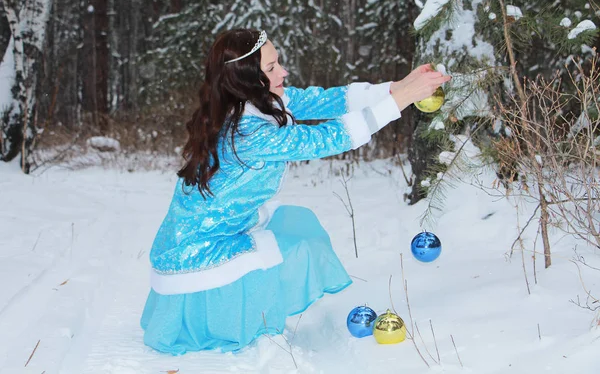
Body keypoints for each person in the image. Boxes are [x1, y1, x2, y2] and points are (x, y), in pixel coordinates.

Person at [140, 28, 451, 355]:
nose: (283, 72)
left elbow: (326, 99)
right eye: (272, 68)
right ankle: (233, 320)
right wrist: (400, 101)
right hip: (200, 247)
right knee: (284, 249)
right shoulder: (246, 132)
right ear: (247, 77)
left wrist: (396, 88)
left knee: (300, 233)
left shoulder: (256, 102)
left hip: (226, 226)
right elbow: (329, 139)